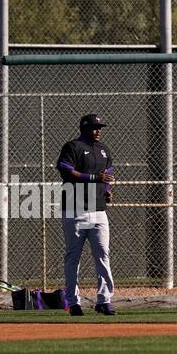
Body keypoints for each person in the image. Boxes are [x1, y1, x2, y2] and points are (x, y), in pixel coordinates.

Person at [56, 114, 117, 317]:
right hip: (75, 209)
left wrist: (107, 189)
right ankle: (73, 303)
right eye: (94, 127)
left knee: (103, 255)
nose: (98, 130)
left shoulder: (104, 149)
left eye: (99, 127)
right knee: (73, 257)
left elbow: (108, 174)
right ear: (84, 128)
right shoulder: (72, 147)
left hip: (99, 211)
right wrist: (94, 178)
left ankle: (104, 300)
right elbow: (65, 170)